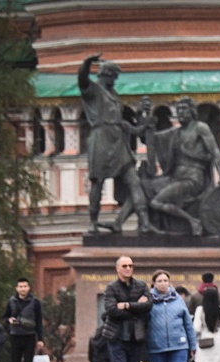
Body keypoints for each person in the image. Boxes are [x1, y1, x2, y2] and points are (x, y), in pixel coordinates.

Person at [78, 53, 156, 235]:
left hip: (119, 141)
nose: (115, 79)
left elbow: (122, 122)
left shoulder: (114, 94)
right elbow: (82, 79)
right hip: (102, 140)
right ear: (105, 74)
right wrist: (88, 62)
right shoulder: (93, 91)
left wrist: (140, 117)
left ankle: (145, 223)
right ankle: (93, 222)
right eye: (113, 75)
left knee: (134, 181)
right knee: (98, 182)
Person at [145, 96, 220, 235]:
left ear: (192, 111)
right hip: (174, 177)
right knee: (145, 185)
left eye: (184, 109)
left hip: (192, 179)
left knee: (156, 202)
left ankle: (193, 221)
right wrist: (146, 124)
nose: (180, 112)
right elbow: (153, 138)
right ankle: (146, 226)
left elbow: (215, 152)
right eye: (178, 109)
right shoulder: (176, 132)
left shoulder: (200, 128)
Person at [103, 256, 152, 362]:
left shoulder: (141, 285)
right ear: (117, 268)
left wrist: (126, 305)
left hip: (135, 337)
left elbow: (148, 305)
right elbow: (111, 310)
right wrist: (135, 307)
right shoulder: (111, 288)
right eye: (124, 266)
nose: (128, 268)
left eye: (131, 265)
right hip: (116, 337)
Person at [148, 270, 196, 362]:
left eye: (166, 281)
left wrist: (192, 345)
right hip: (157, 345)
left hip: (179, 344)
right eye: (160, 281)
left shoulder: (178, 299)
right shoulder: (148, 300)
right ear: (154, 284)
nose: (163, 284)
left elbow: (188, 323)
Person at [3, 277, 45, 362]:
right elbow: (5, 318)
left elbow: (39, 322)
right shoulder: (12, 301)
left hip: (29, 336)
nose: (23, 289)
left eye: (25, 286)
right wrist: (9, 321)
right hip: (15, 336)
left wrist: (40, 339)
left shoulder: (35, 302)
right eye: (20, 286)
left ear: (29, 287)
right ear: (17, 288)